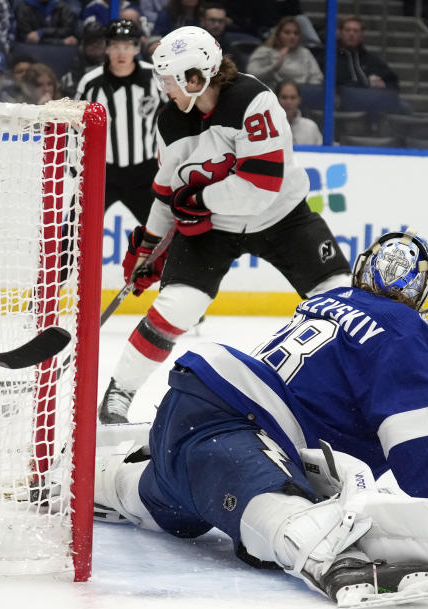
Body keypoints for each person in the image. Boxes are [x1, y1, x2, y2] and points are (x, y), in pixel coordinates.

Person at [93, 230, 428, 606]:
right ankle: (333, 560)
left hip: (196, 410)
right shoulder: (404, 330)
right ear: (420, 291)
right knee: (283, 510)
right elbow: (425, 443)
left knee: (167, 494)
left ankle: (89, 477)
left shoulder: (326, 303)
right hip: (235, 432)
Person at [98, 26, 351, 424]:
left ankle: (360, 391)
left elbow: (261, 186)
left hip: (282, 217)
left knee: (341, 300)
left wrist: (200, 200)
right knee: (177, 306)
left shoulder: (254, 101)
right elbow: (168, 194)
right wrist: (149, 246)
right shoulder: (171, 122)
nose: (164, 88)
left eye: (169, 80)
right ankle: (120, 391)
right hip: (213, 228)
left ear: (195, 78)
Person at [75, 19, 161, 225]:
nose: (121, 53)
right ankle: (66, 258)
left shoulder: (155, 77)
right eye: (115, 46)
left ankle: (165, 259)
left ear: (136, 48)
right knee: (78, 226)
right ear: (107, 48)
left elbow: (177, 112)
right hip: (103, 171)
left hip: (145, 172)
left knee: (161, 229)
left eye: (127, 46)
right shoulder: (90, 83)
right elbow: (75, 126)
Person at [246, 15, 323, 88]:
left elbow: (317, 77)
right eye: (287, 32)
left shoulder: (305, 53)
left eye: (296, 33)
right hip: (273, 95)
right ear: (278, 34)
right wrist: (274, 67)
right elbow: (251, 75)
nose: (292, 36)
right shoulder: (265, 52)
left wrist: (306, 90)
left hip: (301, 95)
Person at [276, 79, 322, 145]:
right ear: (276, 99)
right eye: (284, 97)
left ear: (299, 100)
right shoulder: (267, 128)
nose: (288, 102)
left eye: (293, 97)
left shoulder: (311, 127)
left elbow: (322, 153)